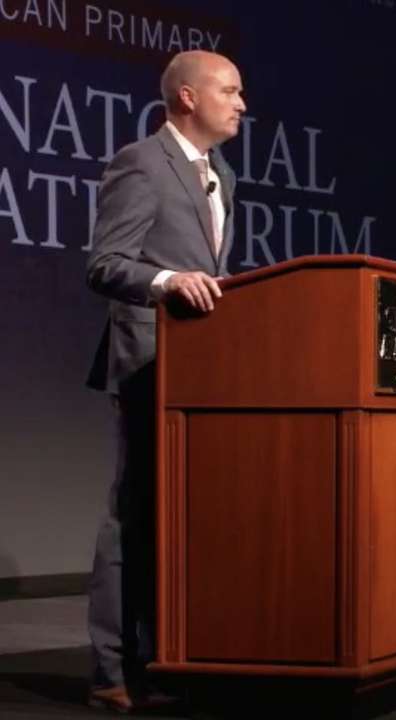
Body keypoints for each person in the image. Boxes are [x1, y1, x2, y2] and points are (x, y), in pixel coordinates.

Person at [84, 50, 244, 713]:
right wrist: (166, 281)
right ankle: (111, 669)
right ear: (186, 97)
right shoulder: (142, 163)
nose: (241, 104)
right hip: (150, 360)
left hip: (198, 371)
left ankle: (165, 653)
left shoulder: (222, 174)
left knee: (178, 518)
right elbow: (104, 263)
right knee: (134, 514)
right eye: (230, 91)